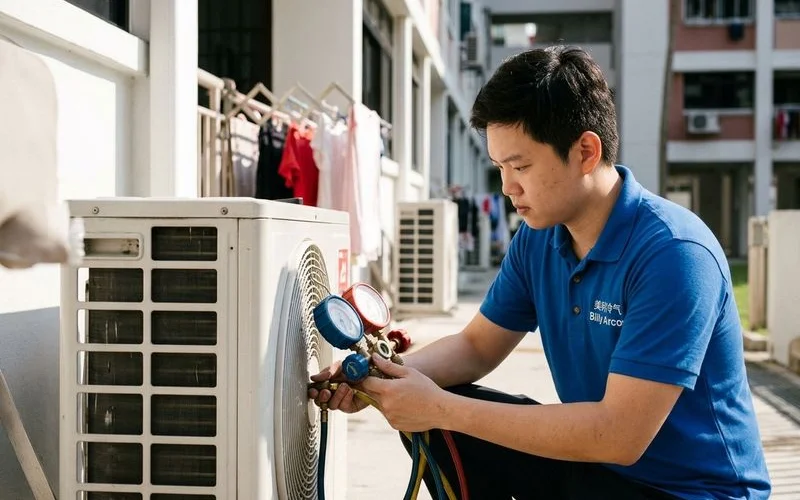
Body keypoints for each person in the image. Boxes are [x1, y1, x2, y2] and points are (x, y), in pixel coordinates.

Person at [309, 45, 771, 499]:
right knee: (440, 416)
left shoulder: (673, 254)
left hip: (687, 491)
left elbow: (619, 436)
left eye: (521, 166)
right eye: (499, 168)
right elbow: (475, 346)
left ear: (586, 152)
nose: (508, 187)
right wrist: (377, 375)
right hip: (600, 472)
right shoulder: (539, 237)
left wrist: (441, 408)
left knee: (446, 411)